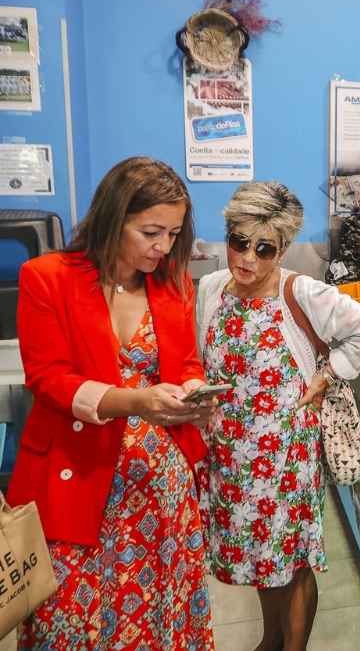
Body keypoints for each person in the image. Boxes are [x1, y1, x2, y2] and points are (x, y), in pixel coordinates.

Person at [11, 156, 216, 648]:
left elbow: (186, 363)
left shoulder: (173, 283)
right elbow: (48, 379)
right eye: (150, 232)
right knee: (70, 614)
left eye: (173, 233)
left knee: (158, 610)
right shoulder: (47, 277)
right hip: (76, 475)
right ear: (113, 218)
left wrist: (192, 394)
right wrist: (134, 402)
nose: (163, 247)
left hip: (159, 488)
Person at [195, 181, 360, 651]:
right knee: (261, 554)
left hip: (285, 456)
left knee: (291, 558)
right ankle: (270, 639)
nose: (248, 259)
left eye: (265, 249)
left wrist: (327, 375)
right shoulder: (212, 288)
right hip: (233, 455)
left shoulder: (301, 293)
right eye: (239, 242)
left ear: (282, 250)